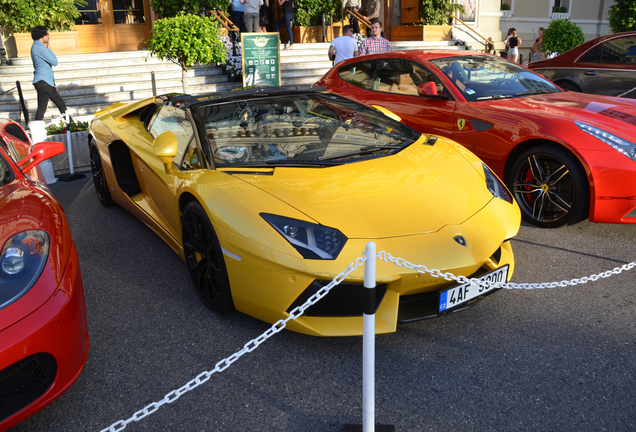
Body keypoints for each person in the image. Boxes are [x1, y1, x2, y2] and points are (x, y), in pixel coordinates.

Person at [30, 26, 71, 122]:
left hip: (47, 82)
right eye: (47, 34)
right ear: (41, 35)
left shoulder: (38, 46)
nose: (49, 36)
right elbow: (54, 62)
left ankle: (72, 125)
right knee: (41, 109)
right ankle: (35, 131)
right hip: (43, 82)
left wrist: (53, 83)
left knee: (61, 105)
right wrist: (49, 49)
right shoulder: (39, 47)